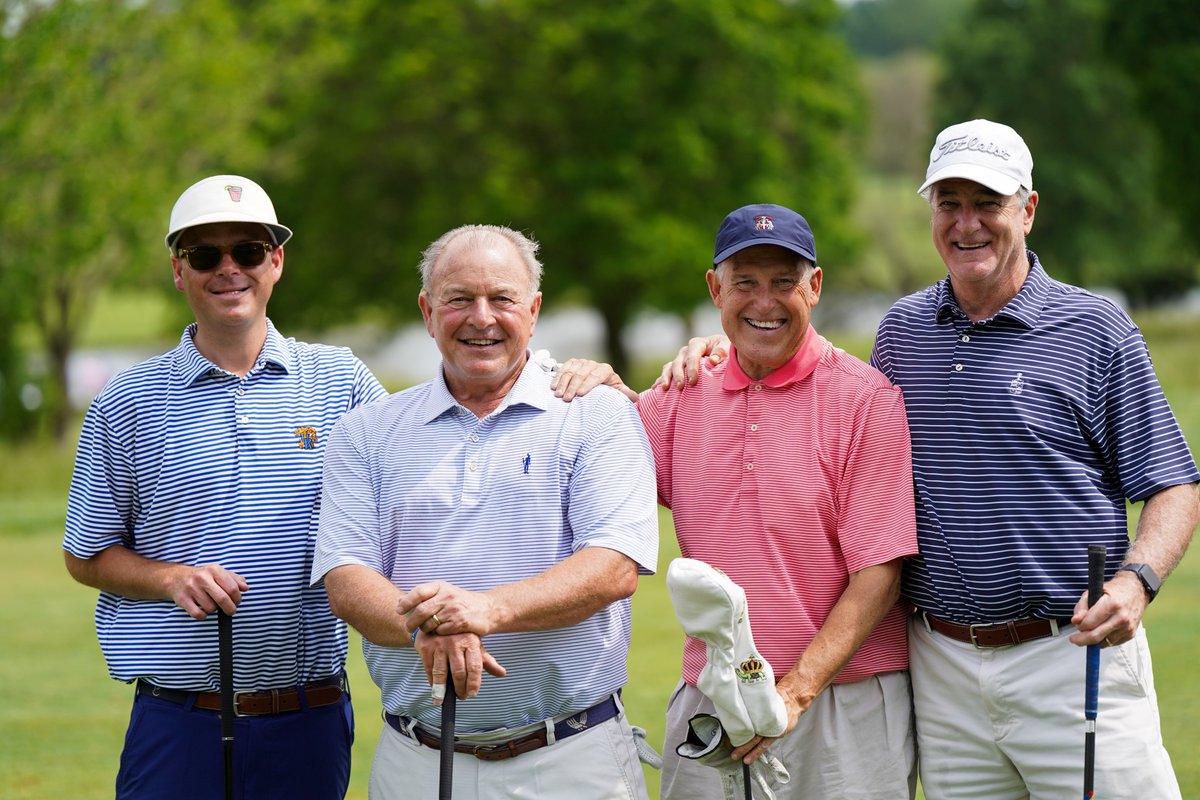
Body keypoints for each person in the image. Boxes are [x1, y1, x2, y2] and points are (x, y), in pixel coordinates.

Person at [663, 120, 1200, 799]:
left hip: (1071, 655)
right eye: (950, 203)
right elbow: (791, 357)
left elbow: (1174, 482)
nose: (967, 223)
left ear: (1027, 211)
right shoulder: (904, 331)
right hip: (941, 666)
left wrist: (1137, 581)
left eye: (987, 203)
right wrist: (715, 349)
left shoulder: (1095, 329)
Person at [556, 204, 921, 798]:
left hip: (840, 700)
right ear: (715, 289)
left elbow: (878, 576)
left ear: (816, 287)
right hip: (713, 694)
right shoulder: (681, 392)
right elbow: (601, 463)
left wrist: (792, 694)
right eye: (745, 282)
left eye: (784, 282)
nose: (764, 301)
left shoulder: (865, 399)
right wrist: (596, 385)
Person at [63, 175, 388, 799]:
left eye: (248, 251)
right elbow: (86, 555)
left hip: (308, 713)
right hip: (178, 719)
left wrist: (556, 377)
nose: (229, 269)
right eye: (205, 255)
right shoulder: (125, 401)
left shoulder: (341, 380)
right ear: (179, 272)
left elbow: (427, 452)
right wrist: (168, 578)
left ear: (277, 261)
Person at [310, 224, 659, 799]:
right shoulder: (366, 432)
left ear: (534, 310)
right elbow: (346, 577)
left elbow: (613, 566)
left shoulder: (596, 414)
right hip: (415, 760)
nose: (481, 317)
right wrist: (429, 622)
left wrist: (482, 611)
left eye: (501, 299)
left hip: (569, 759)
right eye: (458, 299)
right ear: (427, 310)